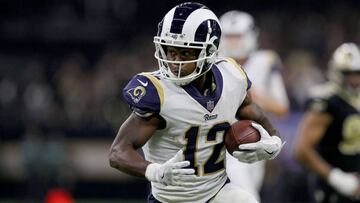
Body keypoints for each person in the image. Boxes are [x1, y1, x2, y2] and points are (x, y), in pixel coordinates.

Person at [109, 2, 284, 203]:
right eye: (170, 51)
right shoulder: (157, 93)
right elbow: (118, 152)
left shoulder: (232, 76)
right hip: (172, 200)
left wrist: (274, 140)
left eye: (185, 53)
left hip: (217, 192)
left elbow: (253, 112)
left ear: (209, 52)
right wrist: (155, 171)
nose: (175, 62)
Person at [219, 10, 289, 200]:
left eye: (238, 36)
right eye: (229, 37)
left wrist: (252, 95)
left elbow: (282, 108)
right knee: (248, 197)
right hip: (222, 143)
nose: (233, 42)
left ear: (251, 35)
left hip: (256, 138)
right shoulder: (213, 63)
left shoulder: (265, 61)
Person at [294, 42, 360, 203]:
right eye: (349, 74)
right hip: (333, 185)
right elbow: (301, 150)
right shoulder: (327, 101)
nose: (354, 79)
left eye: (357, 73)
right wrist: (336, 178)